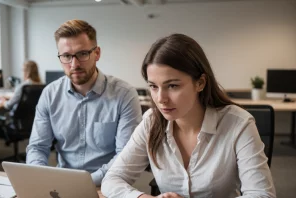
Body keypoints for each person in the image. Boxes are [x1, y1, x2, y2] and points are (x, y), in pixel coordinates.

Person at [101, 34, 276, 198]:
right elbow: (112, 179)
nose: (161, 99)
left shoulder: (238, 123)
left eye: (173, 86)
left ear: (200, 83)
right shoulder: (152, 121)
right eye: (154, 86)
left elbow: (261, 194)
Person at [26, 19, 142, 186]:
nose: (74, 64)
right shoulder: (50, 94)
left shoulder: (124, 94)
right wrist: (41, 179)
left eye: (82, 54)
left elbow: (125, 156)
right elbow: (37, 147)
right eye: (66, 56)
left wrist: (85, 183)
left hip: (109, 184)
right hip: (61, 186)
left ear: (97, 53)